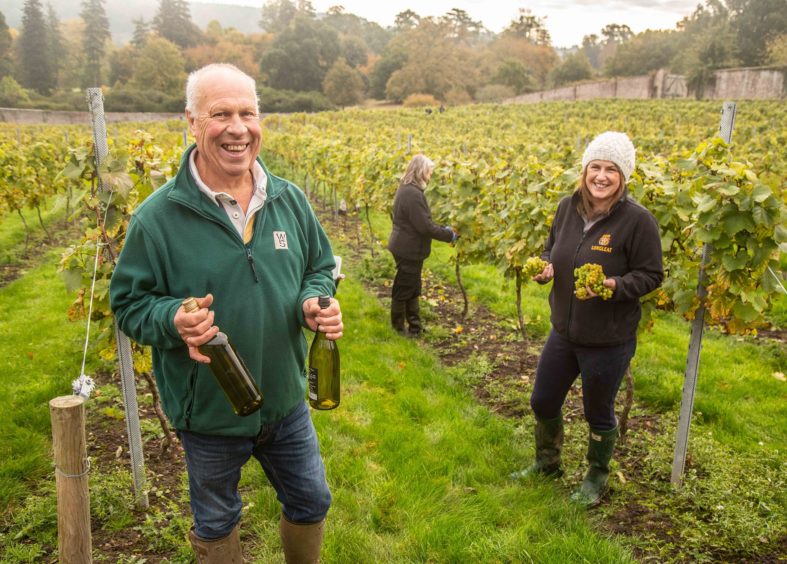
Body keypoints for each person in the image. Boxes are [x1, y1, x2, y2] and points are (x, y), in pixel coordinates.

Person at [110, 63, 343, 563]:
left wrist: (312, 300)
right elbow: (128, 304)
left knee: (311, 501)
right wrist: (173, 319)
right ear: (191, 121)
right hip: (209, 413)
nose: (238, 128)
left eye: (247, 113)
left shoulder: (289, 200)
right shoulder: (157, 218)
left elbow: (319, 267)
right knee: (217, 521)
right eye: (221, 114)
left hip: (285, 400)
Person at [511, 131, 663, 508]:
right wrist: (545, 267)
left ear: (623, 176)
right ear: (585, 170)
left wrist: (614, 285)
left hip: (608, 339)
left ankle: (596, 476)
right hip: (564, 331)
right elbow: (551, 248)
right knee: (543, 400)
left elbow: (651, 274)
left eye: (611, 169)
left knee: (597, 412)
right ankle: (547, 463)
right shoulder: (567, 207)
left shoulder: (638, 221)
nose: (601, 176)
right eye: (595, 167)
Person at [387, 154, 458, 336]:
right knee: (405, 287)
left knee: (412, 286)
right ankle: (398, 328)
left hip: (406, 246)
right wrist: (449, 235)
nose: (430, 174)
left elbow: (421, 222)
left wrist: (443, 229)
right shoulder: (412, 194)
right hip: (408, 248)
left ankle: (415, 326)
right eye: (429, 170)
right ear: (421, 171)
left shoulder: (407, 189)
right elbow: (425, 226)